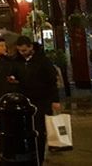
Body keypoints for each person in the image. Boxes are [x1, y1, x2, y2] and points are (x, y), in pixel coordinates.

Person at [15, 36, 61, 164]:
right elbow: (16, 76)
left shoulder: (42, 61)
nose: (22, 53)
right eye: (19, 50)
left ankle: (39, 157)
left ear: (31, 47)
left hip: (42, 100)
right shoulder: (17, 61)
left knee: (39, 131)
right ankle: (29, 155)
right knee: (26, 130)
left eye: (24, 50)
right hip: (25, 101)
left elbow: (52, 81)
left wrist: (55, 100)